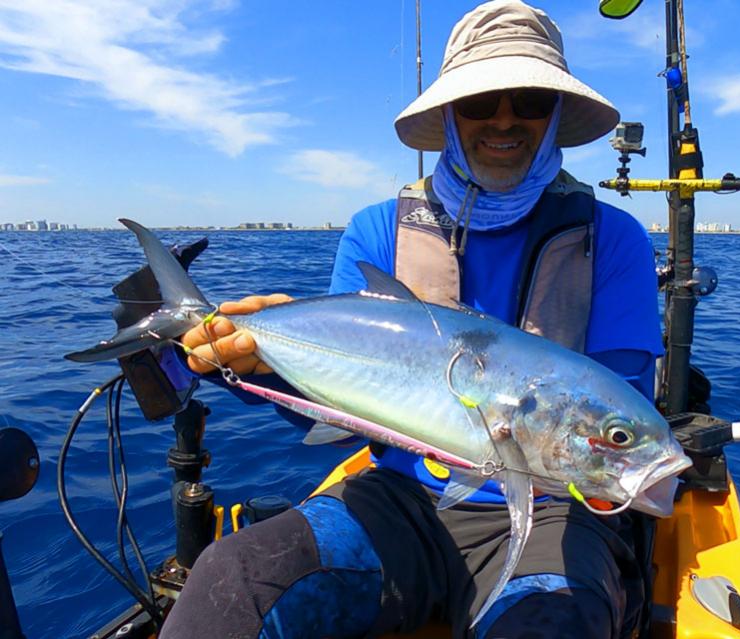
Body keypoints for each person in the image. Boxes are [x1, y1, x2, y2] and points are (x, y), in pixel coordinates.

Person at [160, 2, 663, 638]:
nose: (504, 120)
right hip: (395, 499)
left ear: (556, 115)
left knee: (550, 623)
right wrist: (260, 363)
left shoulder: (611, 239)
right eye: (481, 103)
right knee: (233, 578)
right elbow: (336, 420)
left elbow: (613, 425)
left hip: (551, 512)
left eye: (530, 101)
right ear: (450, 115)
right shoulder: (377, 230)